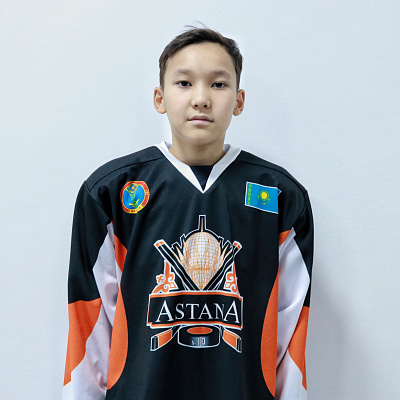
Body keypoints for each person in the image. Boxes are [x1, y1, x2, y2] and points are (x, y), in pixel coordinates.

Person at [63, 27, 313, 400]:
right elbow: (89, 320)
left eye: (218, 84)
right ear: (159, 98)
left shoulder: (280, 196)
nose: (200, 99)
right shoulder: (110, 192)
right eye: (184, 83)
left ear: (239, 101)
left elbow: (292, 325)